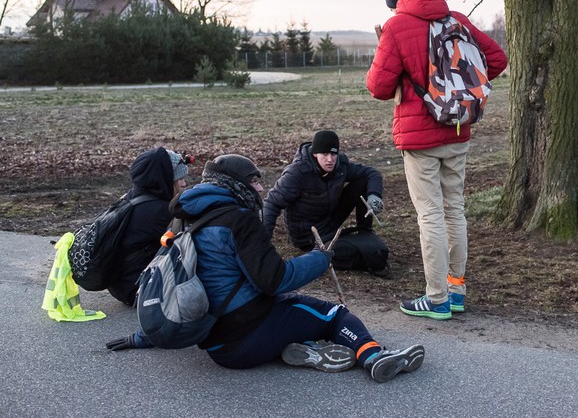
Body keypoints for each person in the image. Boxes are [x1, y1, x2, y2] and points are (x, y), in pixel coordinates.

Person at [106, 154, 424, 383]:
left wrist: (145, 336)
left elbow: (178, 283)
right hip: (245, 338)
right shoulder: (240, 221)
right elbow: (274, 280)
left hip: (215, 343)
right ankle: (374, 357)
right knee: (333, 314)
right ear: (234, 185)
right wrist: (320, 258)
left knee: (288, 315)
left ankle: (304, 349)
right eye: (254, 181)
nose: (260, 189)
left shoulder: (185, 217)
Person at [365, 0, 508, 320]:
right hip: (458, 128)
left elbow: (378, 88)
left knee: (430, 214)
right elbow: (497, 59)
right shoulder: (456, 19)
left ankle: (437, 298)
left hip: (419, 135)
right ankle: (456, 289)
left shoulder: (396, 27)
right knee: (454, 209)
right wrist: (459, 88)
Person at [262, 130, 389, 275]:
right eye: (325, 154)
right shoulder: (297, 173)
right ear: (315, 154)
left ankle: (364, 231)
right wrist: (262, 242)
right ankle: (323, 255)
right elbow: (271, 203)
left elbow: (371, 173)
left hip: (330, 220)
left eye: (333, 154)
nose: (330, 159)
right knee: (368, 253)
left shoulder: (341, 165)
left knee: (363, 180)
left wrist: (374, 196)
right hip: (308, 234)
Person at [107, 146, 191, 306]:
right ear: (163, 179)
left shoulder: (132, 197)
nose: (184, 183)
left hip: (121, 285)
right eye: (179, 178)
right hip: (140, 290)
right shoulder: (159, 211)